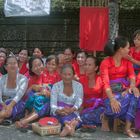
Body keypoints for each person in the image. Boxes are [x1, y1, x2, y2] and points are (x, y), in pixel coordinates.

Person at [100, 36, 139, 138]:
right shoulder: (105, 63)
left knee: (135, 95)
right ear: (121, 49)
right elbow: (106, 84)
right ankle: (106, 116)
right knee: (119, 106)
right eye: (127, 47)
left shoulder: (127, 61)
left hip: (124, 91)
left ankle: (127, 128)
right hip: (109, 95)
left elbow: (132, 76)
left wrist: (132, 86)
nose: (129, 50)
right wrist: (112, 99)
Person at [15, 57, 50, 128]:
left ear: (43, 64)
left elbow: (53, 92)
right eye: (35, 66)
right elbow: (23, 96)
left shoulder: (48, 74)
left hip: (45, 102)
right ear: (31, 69)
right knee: (34, 97)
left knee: (40, 99)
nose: (38, 67)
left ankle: (25, 120)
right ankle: (26, 118)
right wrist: (32, 87)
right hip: (30, 103)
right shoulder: (28, 78)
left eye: (40, 65)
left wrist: (45, 92)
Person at [51, 64, 83, 137]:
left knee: (76, 118)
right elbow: (53, 104)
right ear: (61, 74)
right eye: (64, 74)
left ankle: (67, 128)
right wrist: (59, 111)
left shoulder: (79, 86)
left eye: (69, 74)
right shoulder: (56, 86)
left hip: (73, 110)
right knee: (63, 117)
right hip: (59, 111)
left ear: (73, 75)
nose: (67, 77)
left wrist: (71, 109)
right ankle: (70, 126)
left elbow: (79, 102)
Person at [0, 56, 28, 123]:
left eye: (14, 63)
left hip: (16, 103)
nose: (12, 65)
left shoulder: (23, 79)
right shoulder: (2, 79)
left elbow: (19, 95)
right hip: (3, 103)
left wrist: (9, 106)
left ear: (17, 65)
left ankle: (3, 116)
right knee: (5, 113)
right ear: (5, 67)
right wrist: (3, 104)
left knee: (7, 112)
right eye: (10, 63)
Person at [80, 56, 104, 127]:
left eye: (89, 65)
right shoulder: (81, 80)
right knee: (80, 117)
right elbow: (80, 99)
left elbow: (106, 97)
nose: (87, 67)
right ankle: (90, 124)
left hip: (100, 109)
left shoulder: (101, 79)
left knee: (84, 117)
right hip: (86, 110)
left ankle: (89, 123)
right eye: (86, 64)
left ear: (96, 68)